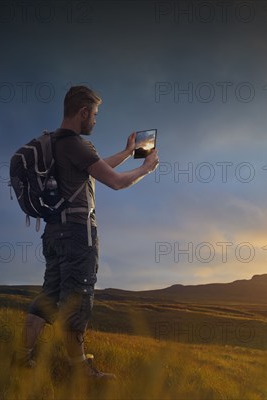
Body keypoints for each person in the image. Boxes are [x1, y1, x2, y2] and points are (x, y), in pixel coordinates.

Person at [12, 86, 159, 379]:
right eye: (94, 114)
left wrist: (129, 152)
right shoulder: (77, 145)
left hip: (53, 232)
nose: (95, 120)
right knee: (78, 295)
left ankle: (20, 357)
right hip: (78, 234)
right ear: (82, 112)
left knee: (49, 295)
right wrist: (145, 169)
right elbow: (115, 182)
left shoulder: (54, 143)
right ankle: (79, 370)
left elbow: (98, 167)